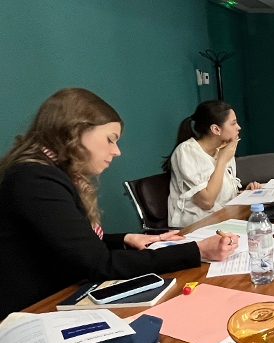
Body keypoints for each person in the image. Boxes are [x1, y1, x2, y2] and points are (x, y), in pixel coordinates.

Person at [0, 88, 239, 319]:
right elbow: (98, 263)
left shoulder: (45, 174)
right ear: (76, 131)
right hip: (32, 311)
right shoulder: (36, 180)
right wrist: (197, 250)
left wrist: (125, 239)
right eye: (110, 140)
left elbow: (69, 241)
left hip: (55, 297)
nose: (117, 151)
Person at [163, 100, 260, 227]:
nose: (239, 127)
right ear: (216, 129)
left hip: (225, 217)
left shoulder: (223, 148)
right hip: (197, 225)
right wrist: (222, 161)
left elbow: (220, 195)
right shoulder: (187, 151)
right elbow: (207, 202)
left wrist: (243, 193)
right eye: (233, 123)